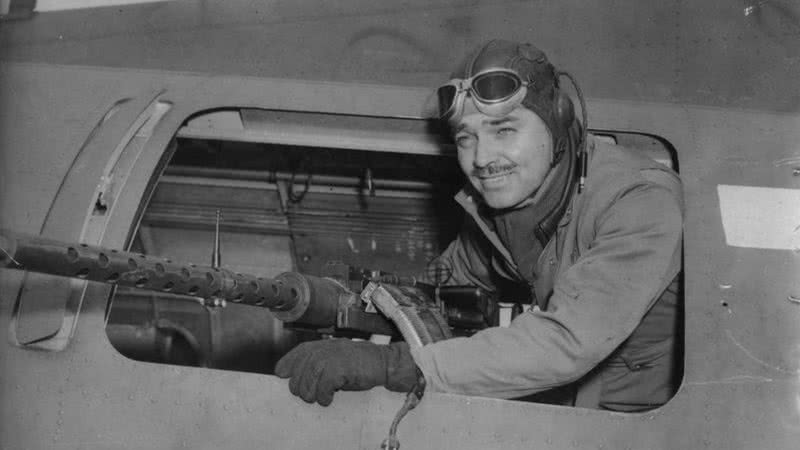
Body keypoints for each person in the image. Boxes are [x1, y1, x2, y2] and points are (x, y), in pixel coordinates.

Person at [275, 39, 683, 412]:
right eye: (465, 138)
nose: (483, 158)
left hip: (645, 423)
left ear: (558, 119)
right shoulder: (507, 206)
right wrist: (360, 305)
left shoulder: (638, 199)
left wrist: (395, 365)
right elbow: (444, 280)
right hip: (570, 409)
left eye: (504, 130)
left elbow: (568, 340)